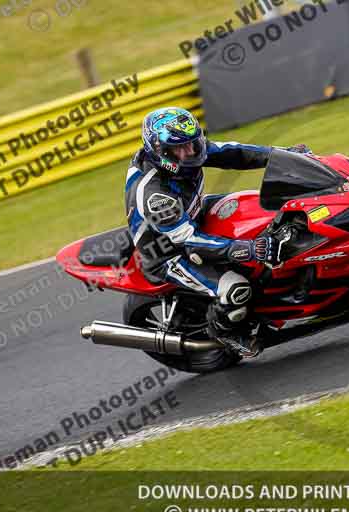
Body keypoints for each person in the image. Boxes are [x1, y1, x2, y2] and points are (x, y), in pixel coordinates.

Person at [124, 107, 309, 357]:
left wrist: (283, 156)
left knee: (257, 210)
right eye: (181, 149)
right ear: (161, 153)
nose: (191, 153)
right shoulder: (156, 195)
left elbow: (234, 153)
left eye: (193, 144)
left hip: (193, 213)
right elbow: (190, 241)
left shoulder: (188, 151)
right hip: (170, 252)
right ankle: (224, 330)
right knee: (236, 288)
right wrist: (246, 249)